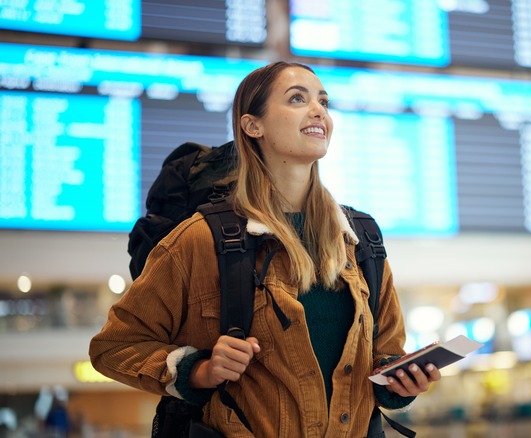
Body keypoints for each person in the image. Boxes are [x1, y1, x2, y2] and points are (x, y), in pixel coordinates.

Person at [89, 61, 441, 437]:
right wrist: (199, 371)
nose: (318, 110)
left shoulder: (359, 240)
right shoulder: (202, 239)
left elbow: (383, 355)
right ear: (252, 125)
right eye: (297, 99)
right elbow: (114, 347)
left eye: (323, 101)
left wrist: (400, 385)